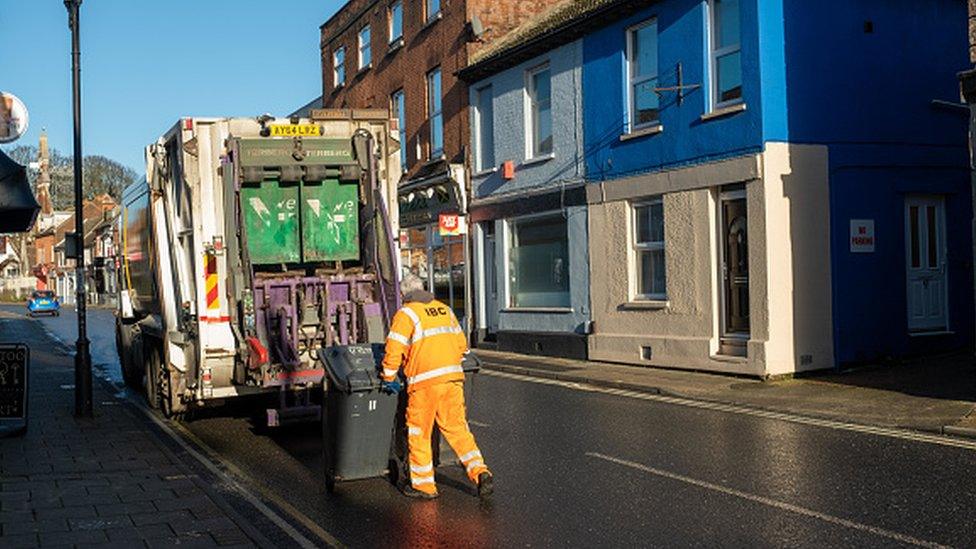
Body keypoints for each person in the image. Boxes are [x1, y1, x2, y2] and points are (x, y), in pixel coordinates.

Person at [380, 274, 493, 499]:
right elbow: (462, 347)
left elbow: (394, 348)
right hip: (452, 379)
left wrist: (388, 376)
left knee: (418, 432)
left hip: (424, 383)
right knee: (458, 429)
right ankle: (480, 471)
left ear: (404, 295)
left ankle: (423, 486)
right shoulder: (445, 310)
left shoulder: (406, 313)